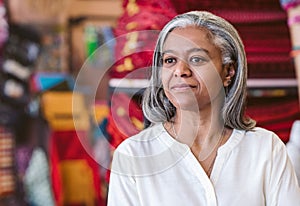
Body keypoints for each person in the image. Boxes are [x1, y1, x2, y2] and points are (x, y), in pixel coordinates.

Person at [107, 11, 300, 206]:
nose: (180, 71)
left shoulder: (266, 149)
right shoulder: (133, 156)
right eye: (170, 60)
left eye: (197, 59)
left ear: (228, 72)